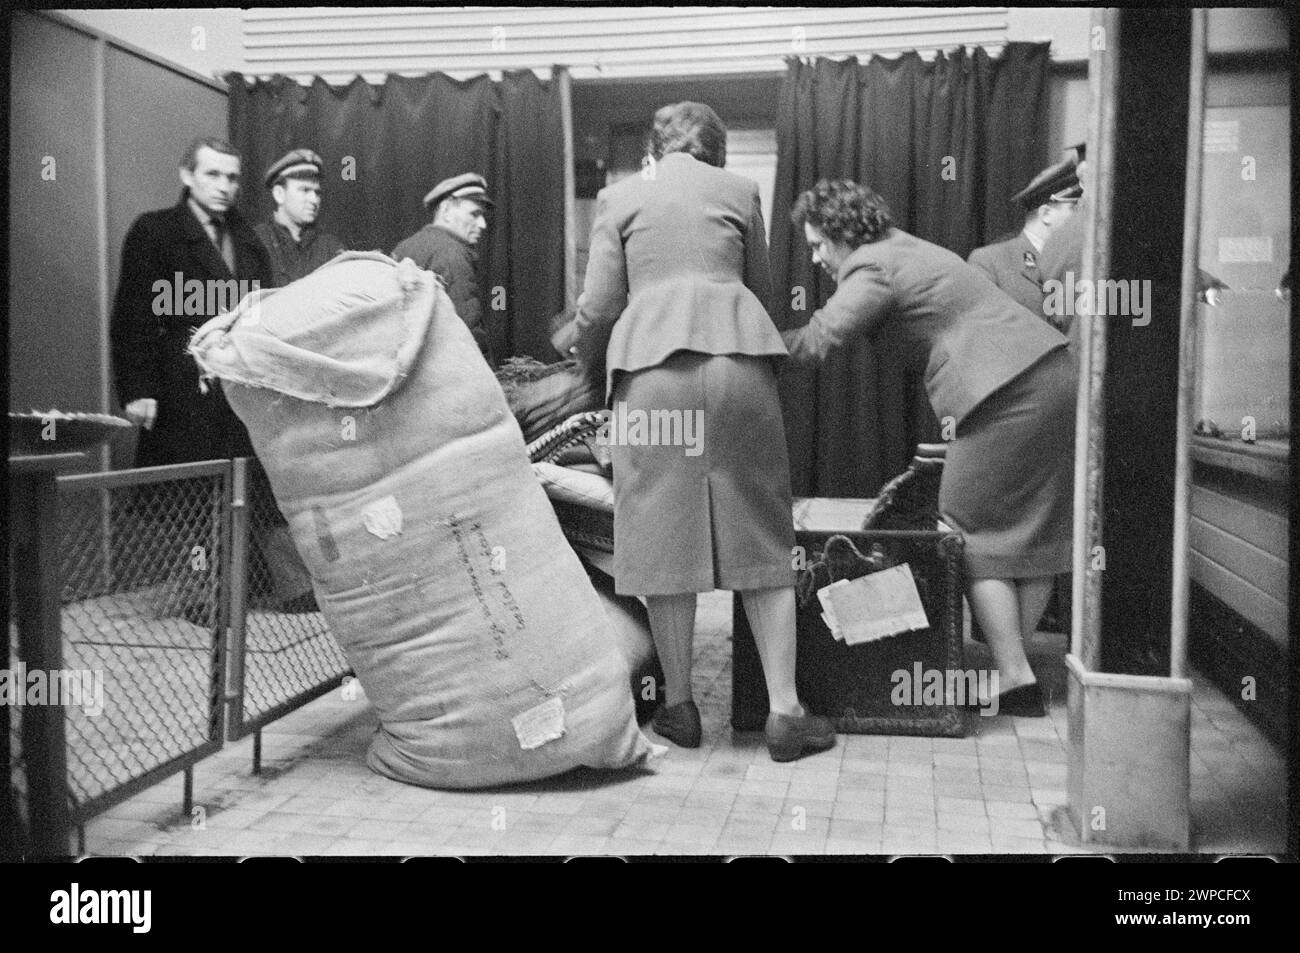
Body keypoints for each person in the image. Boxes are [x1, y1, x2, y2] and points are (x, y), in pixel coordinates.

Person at [572, 101, 836, 761]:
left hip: (651, 372)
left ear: (655, 150)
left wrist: (585, 365)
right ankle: (785, 713)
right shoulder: (741, 190)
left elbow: (598, 308)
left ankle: (680, 706)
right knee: (761, 528)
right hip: (738, 365)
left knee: (661, 529)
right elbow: (765, 294)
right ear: (717, 152)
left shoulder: (619, 196)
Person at [783, 179, 1078, 717]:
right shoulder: (903, 246)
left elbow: (823, 336)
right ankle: (1017, 673)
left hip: (1003, 391)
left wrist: (748, 348)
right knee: (1034, 527)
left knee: (965, 523)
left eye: (820, 243)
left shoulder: (870, 265)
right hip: (1053, 374)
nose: (816, 257)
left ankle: (1014, 676)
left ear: (844, 232)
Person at [111, 136, 271, 467]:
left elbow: (264, 317)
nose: (224, 186)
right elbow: (133, 317)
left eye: (232, 178)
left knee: (238, 485)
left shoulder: (250, 242)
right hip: (178, 388)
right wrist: (138, 390)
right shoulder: (155, 232)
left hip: (240, 390)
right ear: (187, 175)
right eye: (213, 174)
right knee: (181, 486)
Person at [392, 173, 495, 365]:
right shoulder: (452, 254)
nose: (482, 224)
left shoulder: (404, 247)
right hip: (444, 372)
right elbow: (467, 331)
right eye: (474, 214)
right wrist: (489, 376)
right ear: (446, 210)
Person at [967, 155, 1081, 325]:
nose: (1081, 218)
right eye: (1075, 208)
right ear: (1046, 214)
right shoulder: (990, 261)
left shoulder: (1076, 261)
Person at [254, 148, 347, 287]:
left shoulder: (330, 247)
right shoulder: (256, 242)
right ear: (279, 194)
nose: (314, 200)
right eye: (305, 190)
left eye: (317, 192)